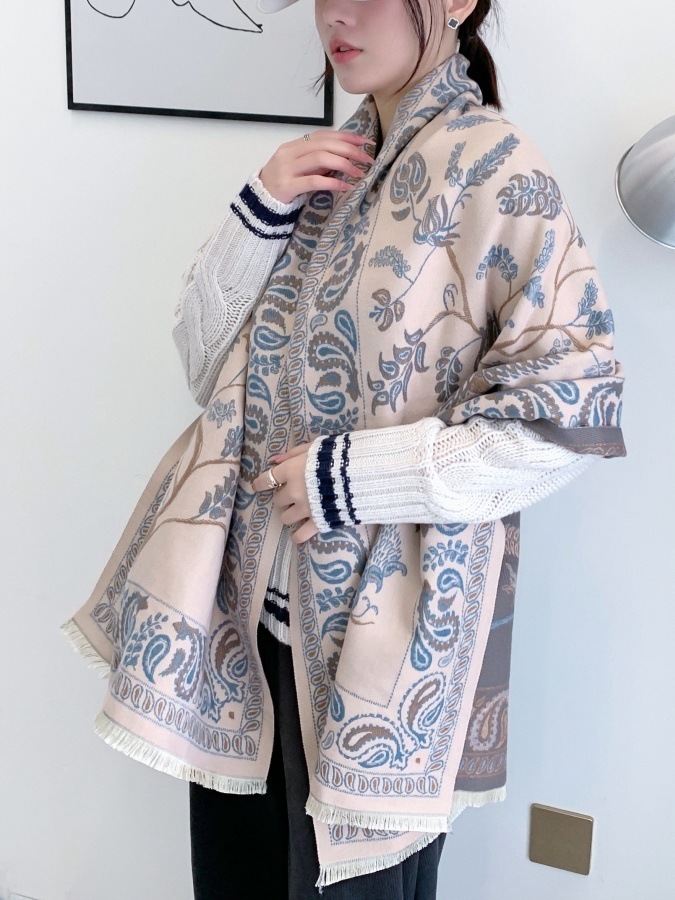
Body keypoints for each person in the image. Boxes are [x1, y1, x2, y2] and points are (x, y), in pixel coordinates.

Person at [61, 0, 625, 897]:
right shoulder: (326, 168)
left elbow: (564, 418)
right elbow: (206, 367)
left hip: (383, 648)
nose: (339, 14)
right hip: (248, 628)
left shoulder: (498, 168)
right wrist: (260, 207)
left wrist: (352, 476)